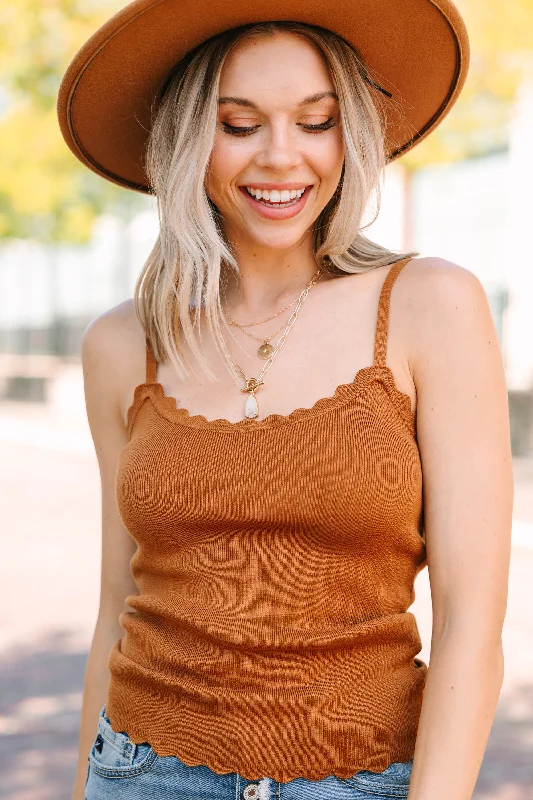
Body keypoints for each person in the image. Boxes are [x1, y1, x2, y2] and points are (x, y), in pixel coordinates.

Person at [57, 2, 514, 799]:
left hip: (362, 779)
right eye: (238, 125)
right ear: (187, 139)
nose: (281, 157)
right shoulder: (119, 344)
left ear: (353, 135)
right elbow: (116, 603)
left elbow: (472, 624)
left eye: (316, 121)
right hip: (138, 773)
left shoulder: (428, 306)